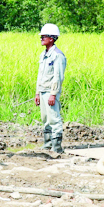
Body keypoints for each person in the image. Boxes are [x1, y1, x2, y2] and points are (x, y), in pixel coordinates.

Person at [34, 24, 67, 155]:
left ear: (52, 38)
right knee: (45, 118)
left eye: (44, 36)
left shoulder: (58, 55)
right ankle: (47, 144)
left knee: (54, 118)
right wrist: (37, 92)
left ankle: (56, 146)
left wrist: (53, 94)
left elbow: (58, 77)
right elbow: (40, 75)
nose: (41, 39)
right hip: (43, 90)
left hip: (50, 91)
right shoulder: (43, 55)